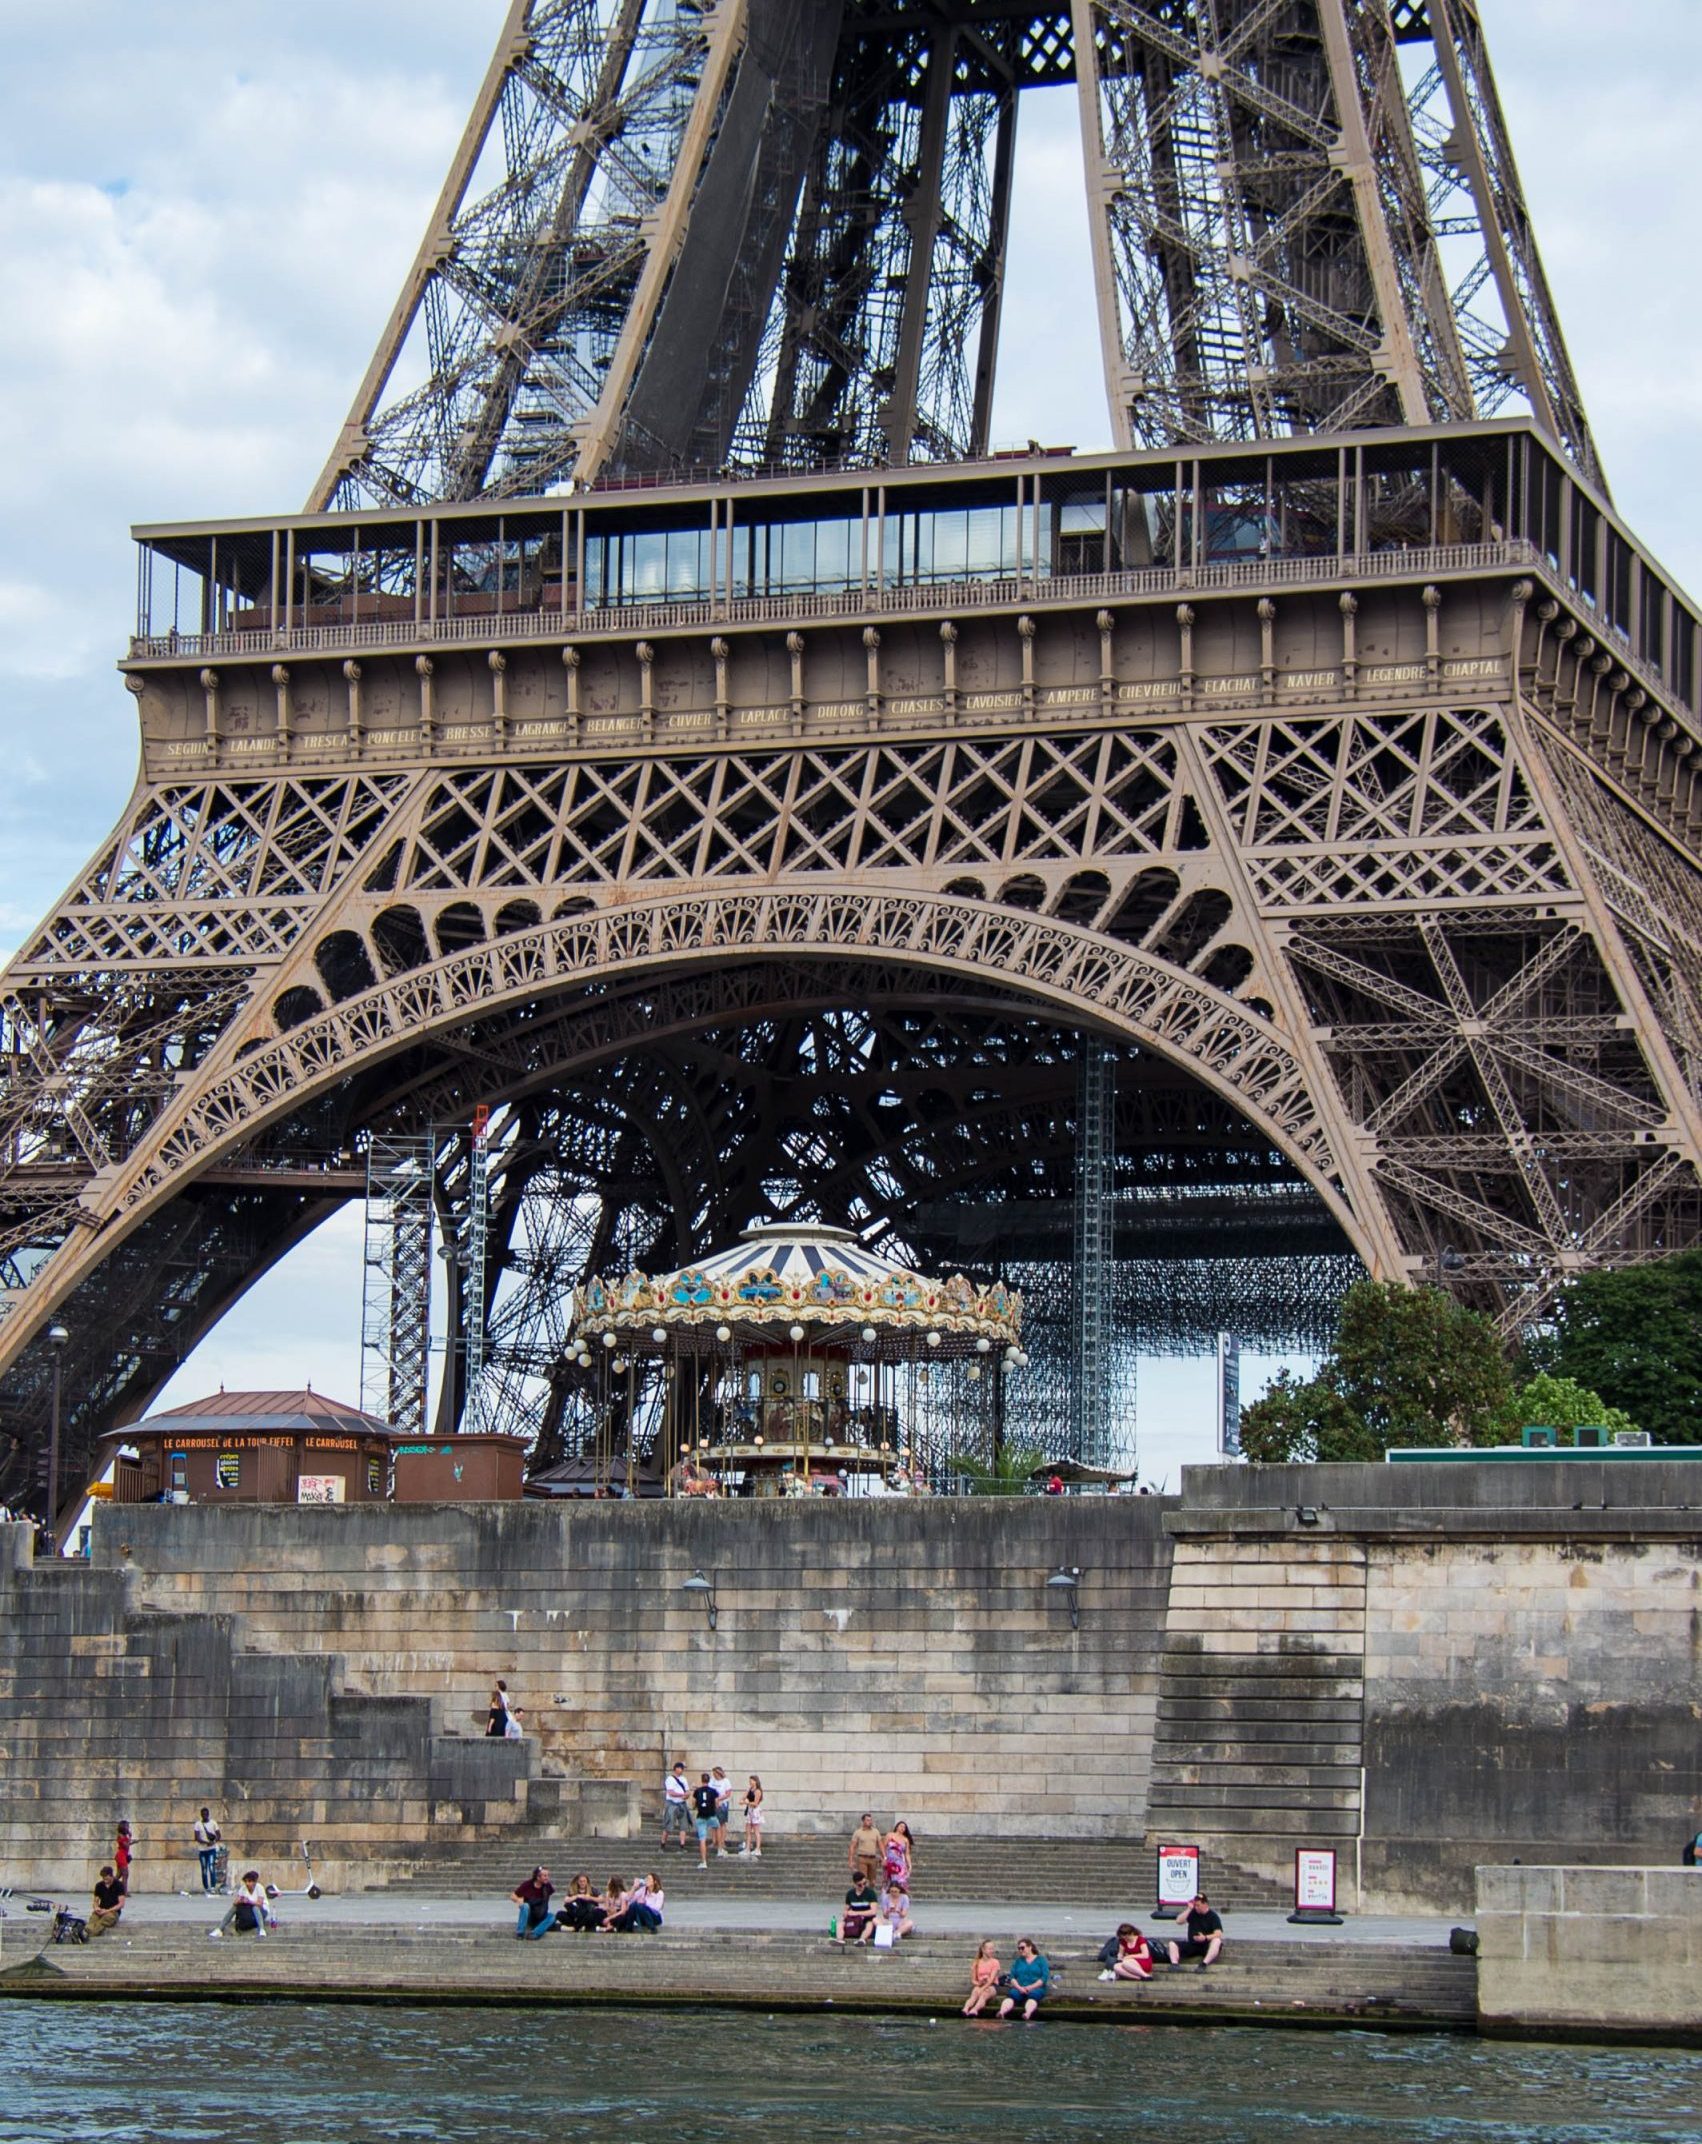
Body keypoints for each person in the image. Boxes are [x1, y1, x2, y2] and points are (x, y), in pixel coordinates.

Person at [1164, 1894, 1224, 1971]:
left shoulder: (1213, 1916)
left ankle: (1203, 1964)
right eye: (1195, 1905)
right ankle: (1175, 1965)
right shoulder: (1193, 1912)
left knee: (1217, 1941)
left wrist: (1205, 1938)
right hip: (1192, 1944)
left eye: (1198, 1905)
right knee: (1172, 1944)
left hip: (1205, 1945)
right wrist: (1189, 1909)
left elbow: (1218, 1934)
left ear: (1205, 1904)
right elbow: (1179, 1921)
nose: (1196, 1907)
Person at [998, 1938, 1051, 2019]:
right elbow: (1012, 1977)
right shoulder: (1018, 1961)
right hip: (1020, 1987)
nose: (1020, 1950)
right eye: (1019, 1948)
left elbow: (1044, 1977)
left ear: (1030, 1947)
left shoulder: (1041, 1960)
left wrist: (1030, 1987)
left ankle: (1027, 2013)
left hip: (1036, 1988)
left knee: (1033, 1996)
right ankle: (1002, 2012)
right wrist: (1019, 1988)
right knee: (1012, 1996)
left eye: (1022, 1948)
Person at [510, 1865, 559, 1939]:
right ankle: (520, 1932)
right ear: (538, 1877)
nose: (547, 1878)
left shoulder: (547, 1886)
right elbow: (513, 1896)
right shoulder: (527, 1885)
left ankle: (535, 1933)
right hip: (530, 1915)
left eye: (548, 1875)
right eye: (544, 1876)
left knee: (553, 1917)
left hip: (541, 1914)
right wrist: (518, 1900)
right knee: (525, 1906)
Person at [221, 1870, 274, 1938]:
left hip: (261, 1910)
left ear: (254, 1882)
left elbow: (259, 1903)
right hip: (248, 1911)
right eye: (246, 1881)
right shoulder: (243, 1889)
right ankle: (220, 1928)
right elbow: (235, 1902)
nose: (247, 1884)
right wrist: (241, 1900)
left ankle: (261, 1929)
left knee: (255, 1907)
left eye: (249, 1881)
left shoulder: (259, 1888)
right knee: (235, 1907)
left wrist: (249, 1901)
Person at [961, 1939, 1001, 2017]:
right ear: (983, 1950)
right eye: (990, 1949)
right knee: (974, 1994)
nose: (992, 1951)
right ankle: (965, 2009)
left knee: (984, 1995)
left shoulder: (995, 1962)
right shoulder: (977, 1962)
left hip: (992, 1985)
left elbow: (992, 1979)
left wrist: (982, 1989)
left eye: (992, 1948)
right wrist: (979, 1983)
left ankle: (975, 2010)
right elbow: (973, 1980)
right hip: (980, 1984)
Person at [691, 1773, 721, 1868]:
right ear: (709, 1780)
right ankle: (720, 1848)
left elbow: (693, 1804)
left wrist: (696, 1807)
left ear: (701, 1780)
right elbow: (717, 1804)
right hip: (711, 1815)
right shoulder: (713, 1791)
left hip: (701, 1816)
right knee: (718, 1827)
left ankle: (704, 1861)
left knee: (702, 1839)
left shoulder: (697, 1791)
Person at [841, 1872, 880, 1944]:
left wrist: (856, 1913)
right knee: (840, 1923)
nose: (863, 1886)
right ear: (854, 1884)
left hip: (867, 1918)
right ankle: (839, 1939)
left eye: (864, 1883)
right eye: (860, 1885)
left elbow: (873, 1911)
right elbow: (846, 1909)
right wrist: (845, 1913)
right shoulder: (850, 1894)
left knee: (869, 1924)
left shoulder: (870, 1893)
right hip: (854, 1919)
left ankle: (862, 1939)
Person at [193, 1806, 224, 1895]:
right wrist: (206, 1842)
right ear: (201, 1815)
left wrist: (213, 1842)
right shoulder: (198, 1824)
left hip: (211, 1849)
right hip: (202, 1850)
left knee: (211, 1867)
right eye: (203, 1814)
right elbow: (196, 1837)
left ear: (208, 1814)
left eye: (206, 1814)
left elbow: (218, 1835)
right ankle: (206, 1887)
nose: (205, 1816)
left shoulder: (213, 1823)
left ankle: (212, 1887)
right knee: (204, 1869)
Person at [88, 1865, 125, 1938]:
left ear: (111, 1876)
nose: (105, 1881)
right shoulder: (99, 1885)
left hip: (113, 1912)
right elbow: (96, 1901)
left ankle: (92, 1933)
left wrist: (107, 1911)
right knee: (93, 1918)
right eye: (103, 1878)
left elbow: (121, 1904)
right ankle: (88, 1930)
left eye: (107, 1879)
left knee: (105, 1919)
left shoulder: (119, 1885)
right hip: (101, 1910)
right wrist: (96, 1908)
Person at [661, 1761, 690, 1851]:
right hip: (672, 1804)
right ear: (676, 1769)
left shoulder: (684, 1779)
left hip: (682, 1803)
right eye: (681, 1768)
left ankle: (682, 1846)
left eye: (683, 1768)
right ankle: (662, 1844)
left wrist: (687, 1795)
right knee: (668, 1825)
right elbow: (671, 1792)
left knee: (683, 1826)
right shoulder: (670, 1779)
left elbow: (687, 1791)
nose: (682, 1770)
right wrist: (682, 1795)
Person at [849, 1812, 884, 1886]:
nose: (870, 1822)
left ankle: (870, 1895)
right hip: (862, 1858)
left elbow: (880, 1845)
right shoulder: (858, 1832)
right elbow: (852, 1846)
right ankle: (863, 1895)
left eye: (870, 1820)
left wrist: (884, 1857)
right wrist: (850, 1860)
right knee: (863, 1879)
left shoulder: (876, 1831)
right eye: (867, 1820)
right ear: (863, 1821)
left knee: (873, 1881)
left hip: (873, 1858)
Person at [878, 1877, 914, 1942]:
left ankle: (896, 1933)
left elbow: (904, 1914)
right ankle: (894, 1933)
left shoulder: (904, 1897)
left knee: (910, 1923)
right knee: (875, 1920)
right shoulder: (886, 1897)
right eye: (891, 1891)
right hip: (889, 1920)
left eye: (895, 1891)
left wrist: (898, 1911)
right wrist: (888, 1911)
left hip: (900, 1920)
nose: (893, 1893)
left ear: (899, 1890)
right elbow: (885, 1916)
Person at [883, 1820, 914, 1889]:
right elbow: (883, 1848)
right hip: (890, 1861)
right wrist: (884, 1858)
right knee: (888, 1879)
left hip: (900, 1862)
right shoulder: (890, 1835)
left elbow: (907, 1854)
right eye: (901, 1826)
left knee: (900, 1881)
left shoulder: (905, 1840)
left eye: (904, 1827)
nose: (902, 1828)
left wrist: (909, 1865)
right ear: (897, 1827)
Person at [710, 1765, 734, 1854]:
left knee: (721, 1823)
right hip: (713, 1804)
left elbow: (728, 1794)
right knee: (713, 1823)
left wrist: (719, 1798)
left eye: (715, 1773)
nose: (714, 1775)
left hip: (722, 1804)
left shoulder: (725, 1781)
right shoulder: (712, 1781)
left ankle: (722, 1841)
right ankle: (714, 1841)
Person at [743, 1775, 765, 1858]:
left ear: (756, 1781)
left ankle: (758, 1849)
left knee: (756, 1831)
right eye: (750, 1781)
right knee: (748, 1830)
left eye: (752, 1781)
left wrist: (747, 1802)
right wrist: (744, 1799)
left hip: (755, 1811)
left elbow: (755, 1803)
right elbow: (743, 1798)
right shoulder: (749, 1789)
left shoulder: (758, 1791)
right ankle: (747, 1848)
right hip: (749, 1810)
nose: (750, 1782)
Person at [114, 1819, 134, 1896]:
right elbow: (126, 1845)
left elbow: (126, 1845)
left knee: (119, 1875)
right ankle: (124, 1892)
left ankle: (108, 1887)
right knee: (125, 1874)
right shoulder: (120, 1836)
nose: (128, 1828)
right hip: (121, 1856)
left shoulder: (124, 1836)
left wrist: (130, 1840)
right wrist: (130, 1837)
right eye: (127, 1826)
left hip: (123, 1855)